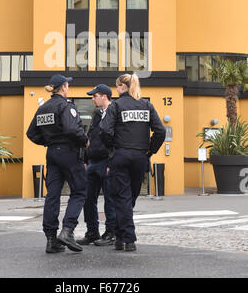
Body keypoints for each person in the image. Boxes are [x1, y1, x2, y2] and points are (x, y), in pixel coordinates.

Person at [99, 73, 166, 252]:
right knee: (130, 197)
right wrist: (150, 150)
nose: (116, 89)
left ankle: (128, 239)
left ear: (122, 86)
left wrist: (112, 148)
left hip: (121, 155)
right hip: (140, 157)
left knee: (122, 198)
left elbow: (105, 130)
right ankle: (121, 237)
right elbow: (160, 131)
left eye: (117, 86)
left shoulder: (116, 105)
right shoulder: (147, 105)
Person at [26, 74, 88, 254]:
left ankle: (51, 240)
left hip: (52, 153)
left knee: (52, 195)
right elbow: (71, 129)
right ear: (64, 87)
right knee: (79, 191)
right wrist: (84, 140)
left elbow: (31, 134)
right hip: (68, 152)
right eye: (68, 85)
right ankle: (67, 231)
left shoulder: (43, 108)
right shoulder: (65, 106)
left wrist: (48, 141)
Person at [77, 84, 116, 247]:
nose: (92, 99)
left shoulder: (114, 113)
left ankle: (110, 233)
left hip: (106, 162)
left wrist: (112, 162)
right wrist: (86, 161)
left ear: (104, 96)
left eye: (95, 96)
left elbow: (116, 139)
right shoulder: (97, 114)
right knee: (87, 198)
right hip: (92, 163)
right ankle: (92, 232)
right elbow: (90, 137)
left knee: (110, 199)